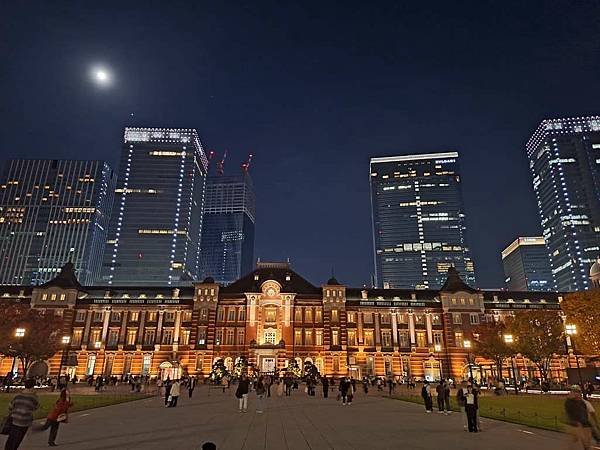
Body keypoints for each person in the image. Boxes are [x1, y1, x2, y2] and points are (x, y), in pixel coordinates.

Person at [3, 378, 39, 450]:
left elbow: (10, 406)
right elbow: (35, 407)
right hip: (24, 422)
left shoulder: (18, 396)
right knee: (17, 440)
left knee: (11, 439)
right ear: (32, 387)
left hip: (14, 419)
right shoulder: (33, 397)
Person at [565, 385, 593, 449]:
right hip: (576, 425)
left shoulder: (582, 402)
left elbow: (585, 411)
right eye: (576, 392)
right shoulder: (569, 402)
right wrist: (576, 422)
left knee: (586, 443)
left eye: (579, 392)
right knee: (579, 442)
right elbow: (570, 413)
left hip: (585, 424)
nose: (578, 393)